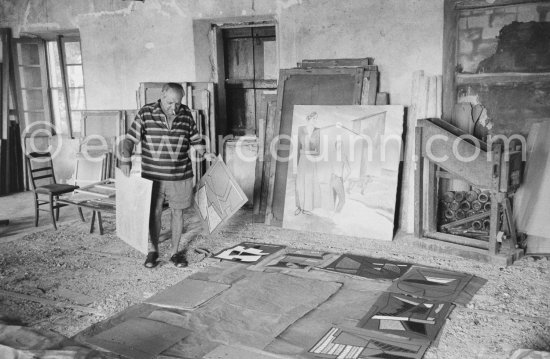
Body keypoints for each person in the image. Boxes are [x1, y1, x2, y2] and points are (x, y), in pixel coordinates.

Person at [120, 83, 214, 268]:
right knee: (153, 213)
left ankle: (175, 253)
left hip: (180, 174)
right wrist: (125, 159)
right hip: (153, 176)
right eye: (170, 102)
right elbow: (130, 139)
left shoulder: (186, 113)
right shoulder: (146, 112)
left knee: (177, 213)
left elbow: (194, 138)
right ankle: (153, 250)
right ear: (162, 95)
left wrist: (205, 153)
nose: (174, 107)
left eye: (178, 103)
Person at [294, 111, 322, 215]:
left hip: (312, 160)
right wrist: (296, 164)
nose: (315, 120)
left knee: (309, 183)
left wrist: (309, 153)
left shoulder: (318, 131)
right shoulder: (301, 129)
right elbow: (298, 147)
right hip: (302, 160)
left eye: (316, 118)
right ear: (308, 119)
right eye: (313, 118)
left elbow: (318, 150)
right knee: (300, 183)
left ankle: (306, 208)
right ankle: (299, 207)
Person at [330, 137, 351, 213]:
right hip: (338, 179)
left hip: (331, 179)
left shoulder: (331, 155)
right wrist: (344, 179)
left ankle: (331, 218)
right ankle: (336, 216)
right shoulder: (343, 156)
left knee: (333, 201)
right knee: (342, 201)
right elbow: (349, 171)